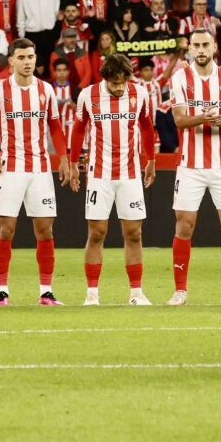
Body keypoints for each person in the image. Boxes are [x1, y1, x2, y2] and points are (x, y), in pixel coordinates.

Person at [0, 37, 67, 306]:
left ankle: (46, 291)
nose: (28, 62)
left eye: (31, 57)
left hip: (40, 169)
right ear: (11, 60)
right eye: (22, 58)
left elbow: (55, 127)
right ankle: (1, 291)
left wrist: (63, 157)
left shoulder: (46, 90)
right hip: (10, 169)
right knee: (6, 230)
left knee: (45, 230)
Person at [66, 50, 157, 306]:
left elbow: (147, 127)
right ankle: (92, 293)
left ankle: (136, 293)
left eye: (122, 82)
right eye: (114, 82)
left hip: (130, 175)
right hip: (99, 175)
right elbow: (78, 130)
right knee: (97, 233)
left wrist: (150, 160)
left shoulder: (139, 93)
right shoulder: (89, 95)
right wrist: (73, 163)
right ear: (105, 77)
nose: (119, 87)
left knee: (134, 233)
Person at [167, 28, 221, 306]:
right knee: (185, 225)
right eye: (196, 45)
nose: (201, 50)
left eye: (205, 45)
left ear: (215, 47)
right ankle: (180, 291)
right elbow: (178, 119)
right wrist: (204, 116)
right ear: (190, 48)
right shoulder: (180, 77)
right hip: (190, 165)